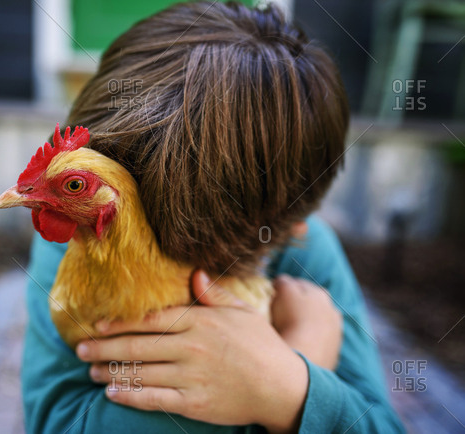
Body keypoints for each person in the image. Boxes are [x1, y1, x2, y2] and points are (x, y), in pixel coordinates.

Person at [21, 2, 405, 433]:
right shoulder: (82, 239)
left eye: (152, 228)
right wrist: (298, 376)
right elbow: (56, 421)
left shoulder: (306, 255)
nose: (123, 232)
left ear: (285, 230)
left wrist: (288, 389)